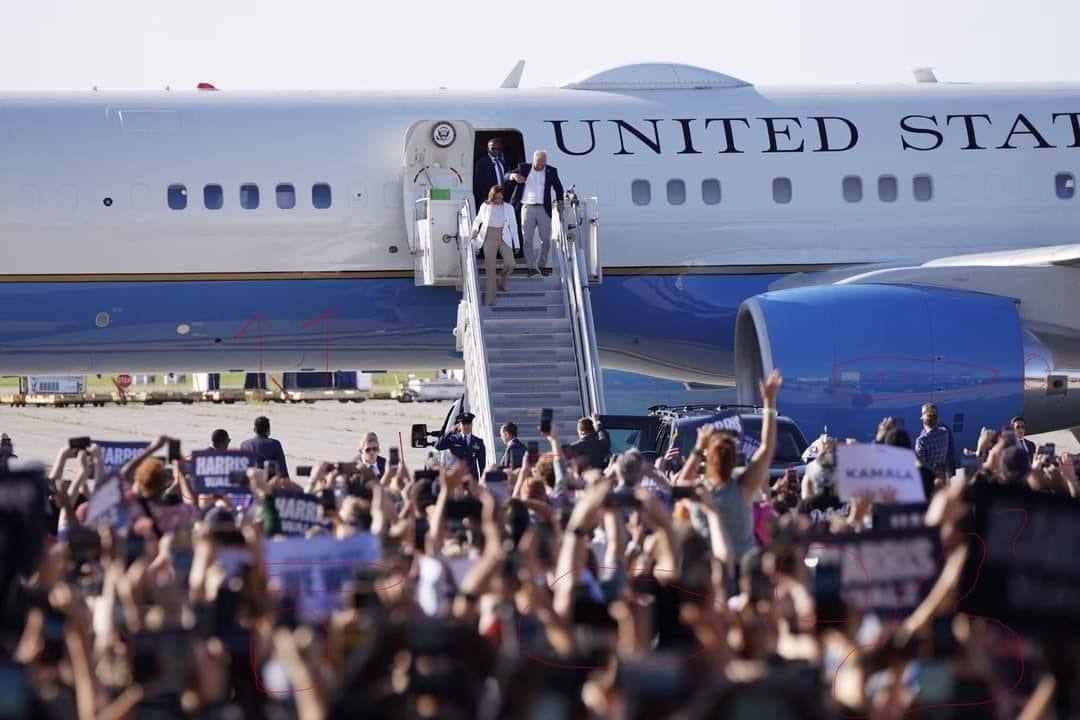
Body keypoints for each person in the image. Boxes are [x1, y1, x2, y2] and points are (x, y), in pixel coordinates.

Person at [507, 149, 564, 278]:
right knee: (527, 239)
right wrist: (513, 176)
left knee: (546, 240)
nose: (541, 165)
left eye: (543, 162)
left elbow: (558, 187)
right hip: (527, 208)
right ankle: (531, 267)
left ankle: (542, 265)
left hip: (544, 208)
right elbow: (506, 175)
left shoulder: (551, 171)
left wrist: (560, 201)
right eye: (538, 163)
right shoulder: (523, 168)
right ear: (533, 161)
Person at [470, 186, 518, 306]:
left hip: (504, 236)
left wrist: (516, 244)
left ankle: (501, 282)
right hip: (488, 237)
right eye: (496, 198)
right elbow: (477, 221)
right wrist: (474, 230)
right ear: (492, 196)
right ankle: (490, 301)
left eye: (500, 198)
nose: (498, 200)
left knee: (510, 264)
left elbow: (513, 226)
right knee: (490, 270)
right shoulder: (485, 206)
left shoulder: (508, 207)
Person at [435, 412, 486, 480]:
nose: (466, 426)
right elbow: (438, 446)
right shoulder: (453, 439)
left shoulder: (478, 442)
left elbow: (482, 464)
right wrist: (450, 431)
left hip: (471, 479)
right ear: (459, 425)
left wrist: (482, 481)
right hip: (457, 478)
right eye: (463, 424)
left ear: (472, 425)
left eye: (468, 424)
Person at [472, 137, 510, 211]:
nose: (496, 150)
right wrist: (485, 201)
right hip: (489, 201)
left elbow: (505, 180)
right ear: (488, 149)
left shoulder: (503, 163)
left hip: (503, 200)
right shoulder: (481, 163)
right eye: (493, 148)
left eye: (498, 148)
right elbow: (479, 185)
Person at [914, 402, 950, 473]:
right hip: (941, 473)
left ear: (923, 420)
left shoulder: (922, 440)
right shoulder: (945, 432)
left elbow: (919, 464)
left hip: (928, 476)